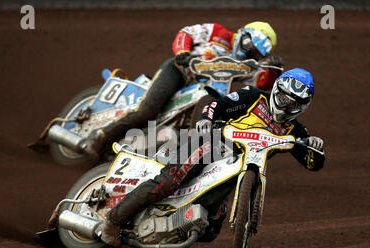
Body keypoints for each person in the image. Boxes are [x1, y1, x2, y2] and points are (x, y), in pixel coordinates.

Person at [96, 68, 326, 247]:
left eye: (294, 103)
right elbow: (217, 103)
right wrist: (206, 120)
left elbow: (312, 164)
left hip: (238, 169)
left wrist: (315, 149)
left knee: (211, 229)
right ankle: (113, 222)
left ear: (303, 106)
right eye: (284, 98)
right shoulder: (254, 96)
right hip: (213, 144)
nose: (287, 105)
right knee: (169, 181)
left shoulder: (297, 132)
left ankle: (164, 229)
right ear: (277, 90)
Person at [82, 22, 284, 158]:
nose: (252, 53)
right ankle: (99, 136)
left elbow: (261, 84)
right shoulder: (218, 32)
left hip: (203, 94)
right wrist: (183, 53)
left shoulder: (244, 65)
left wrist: (274, 72)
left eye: (258, 54)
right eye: (252, 47)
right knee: (148, 111)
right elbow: (186, 33)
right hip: (179, 70)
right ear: (245, 37)